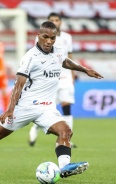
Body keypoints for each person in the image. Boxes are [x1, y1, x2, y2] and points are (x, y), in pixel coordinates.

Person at [0, 21, 103, 178]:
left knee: (66, 131)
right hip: (25, 107)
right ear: (38, 36)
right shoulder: (30, 57)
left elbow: (65, 61)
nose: (49, 41)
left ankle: (64, 167)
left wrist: (85, 69)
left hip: (47, 108)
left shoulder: (59, 51)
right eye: (45, 37)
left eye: (52, 38)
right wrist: (10, 109)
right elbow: (18, 85)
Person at [29, 12, 77, 147]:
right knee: (46, 109)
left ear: (60, 22)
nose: (55, 22)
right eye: (52, 20)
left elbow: (70, 56)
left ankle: (67, 137)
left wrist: (72, 75)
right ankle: (35, 128)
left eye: (57, 20)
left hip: (66, 76)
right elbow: (36, 57)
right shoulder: (41, 38)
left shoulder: (68, 37)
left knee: (66, 106)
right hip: (49, 78)